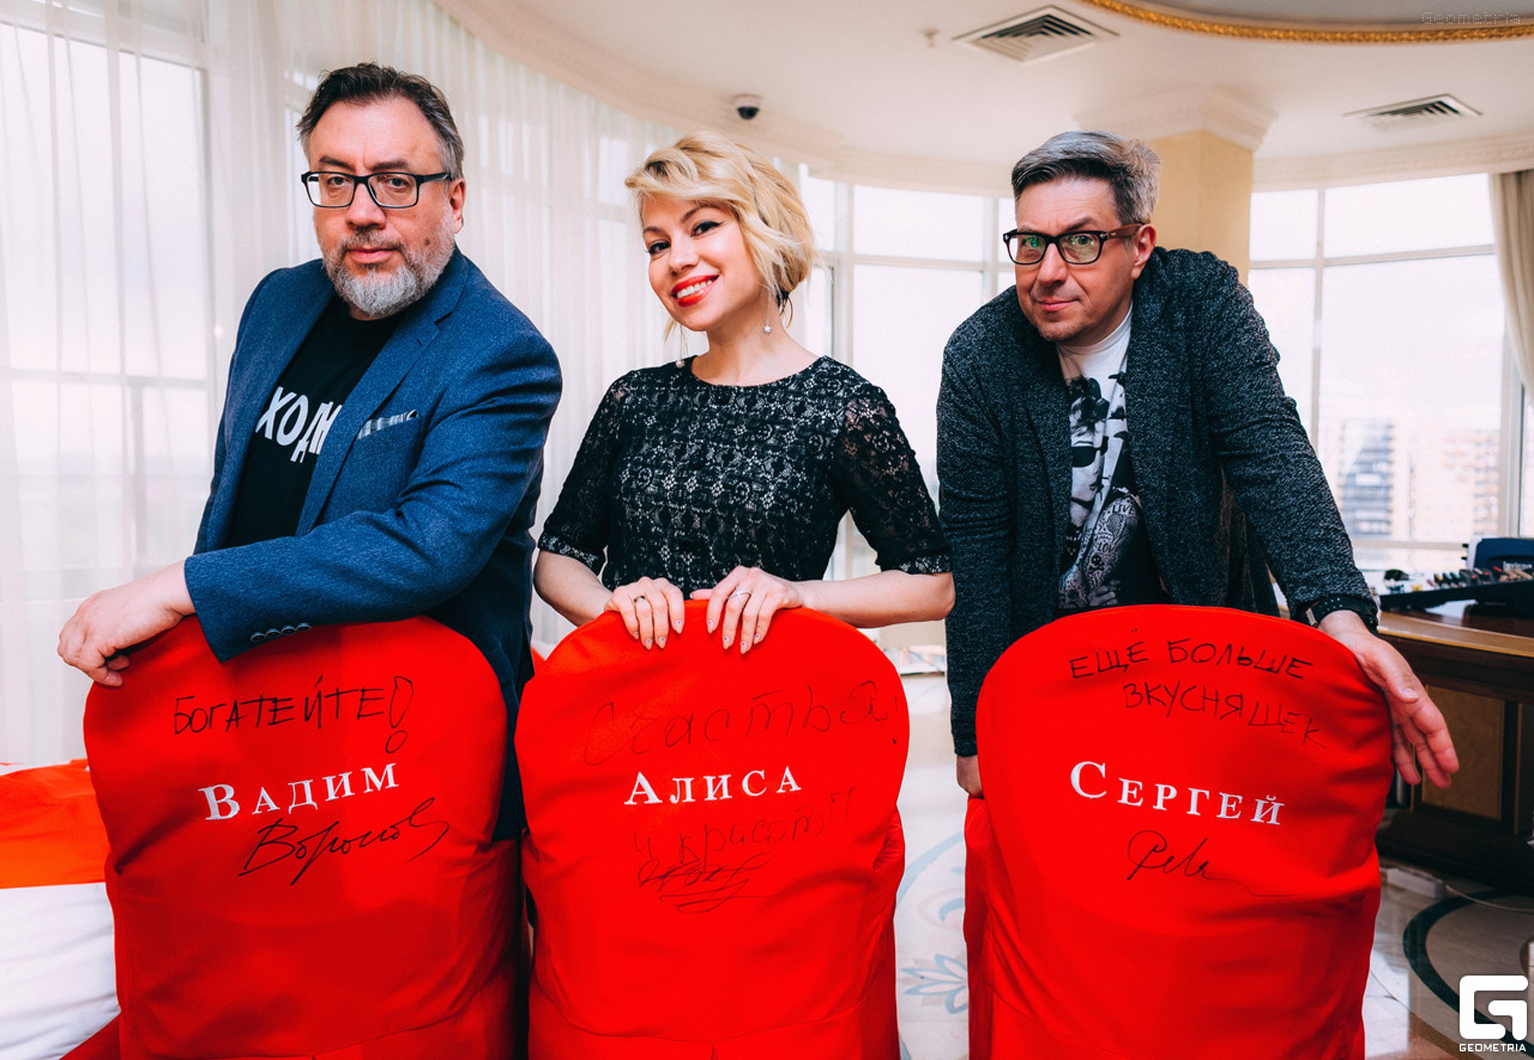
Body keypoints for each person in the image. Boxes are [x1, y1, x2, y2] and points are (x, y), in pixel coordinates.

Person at [57, 62, 560, 834]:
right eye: (335, 180)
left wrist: (183, 587)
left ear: (455, 201)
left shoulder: (502, 352)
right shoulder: (278, 300)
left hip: (415, 752)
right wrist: (195, 637)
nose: (362, 212)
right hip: (257, 715)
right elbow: (240, 493)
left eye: (395, 183)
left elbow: (426, 547)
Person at [937, 130, 1457, 797]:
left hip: (1206, 675)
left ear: (1139, 247)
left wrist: (1338, 613)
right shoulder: (980, 353)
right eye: (1031, 243)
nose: (1048, 272)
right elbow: (976, 549)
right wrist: (973, 730)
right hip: (1054, 682)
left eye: (1082, 241)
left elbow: (1268, 451)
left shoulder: (1200, 303)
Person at [534, 131, 952, 646]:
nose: (676, 259)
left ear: (765, 230)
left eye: (703, 227)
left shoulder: (844, 406)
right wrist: (613, 608)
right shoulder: (634, 399)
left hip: (768, 693)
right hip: (631, 687)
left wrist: (798, 595)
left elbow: (931, 584)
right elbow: (558, 558)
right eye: (658, 245)